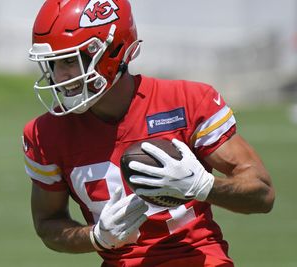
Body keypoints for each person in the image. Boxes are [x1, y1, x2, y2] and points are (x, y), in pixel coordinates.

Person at [22, 0, 275, 266]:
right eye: (53, 65)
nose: (60, 77)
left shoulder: (186, 101)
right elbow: (47, 222)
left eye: (70, 62)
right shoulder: (45, 134)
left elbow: (262, 194)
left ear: (112, 52)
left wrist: (203, 187)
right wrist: (96, 237)